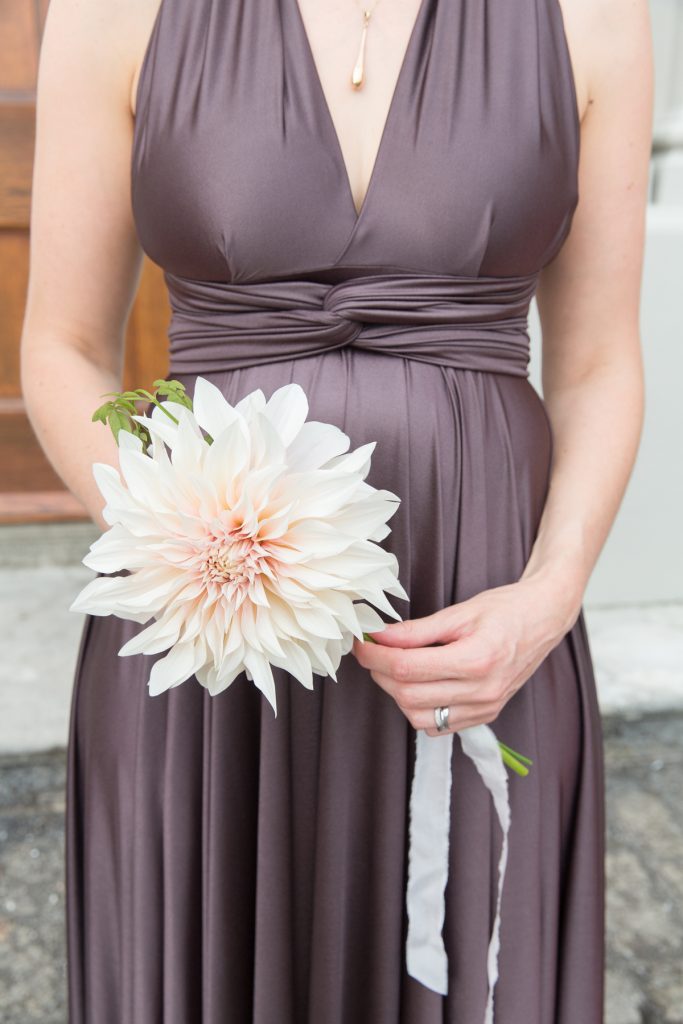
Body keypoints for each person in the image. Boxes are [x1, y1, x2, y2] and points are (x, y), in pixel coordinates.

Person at [20, 0, 653, 1020]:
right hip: (208, 618)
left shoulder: (595, 18)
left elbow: (593, 366)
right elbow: (59, 345)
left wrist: (548, 594)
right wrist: (182, 546)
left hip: (478, 602)